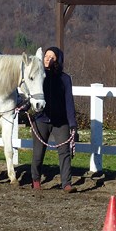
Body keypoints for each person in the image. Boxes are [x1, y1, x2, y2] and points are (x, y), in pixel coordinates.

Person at [31, 46, 78, 193]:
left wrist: (72, 124)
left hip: (60, 120)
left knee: (64, 152)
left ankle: (66, 183)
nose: (48, 59)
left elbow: (69, 102)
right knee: (38, 152)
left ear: (58, 60)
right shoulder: (39, 75)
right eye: (46, 56)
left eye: (52, 57)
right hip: (41, 119)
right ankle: (36, 180)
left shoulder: (65, 79)